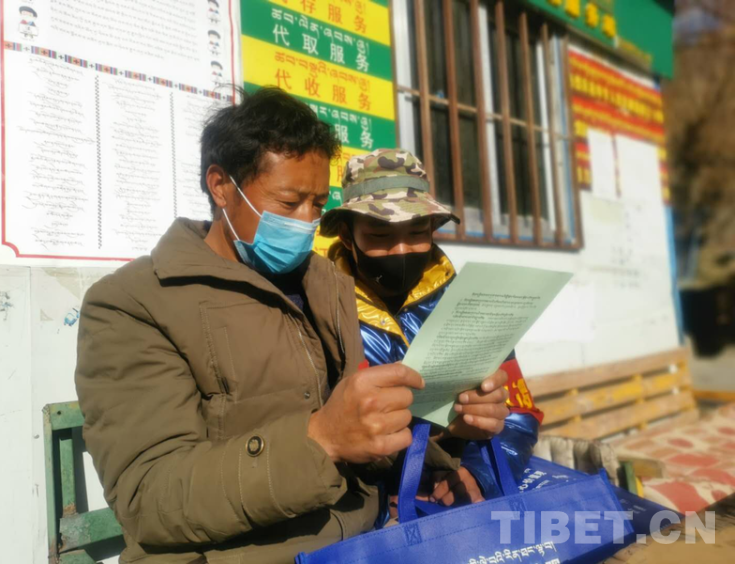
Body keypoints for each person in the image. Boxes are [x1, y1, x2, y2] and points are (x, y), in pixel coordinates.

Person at [75, 90, 495, 563]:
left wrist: (442, 440)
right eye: (289, 201)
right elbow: (149, 499)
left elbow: (358, 432)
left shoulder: (327, 283)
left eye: (317, 204)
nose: (305, 221)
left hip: (363, 542)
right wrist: (319, 440)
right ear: (221, 186)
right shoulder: (134, 302)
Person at [320, 149, 544, 506]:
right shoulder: (317, 310)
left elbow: (519, 412)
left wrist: (480, 474)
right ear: (347, 236)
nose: (401, 249)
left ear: (433, 229)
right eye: (379, 234)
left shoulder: (469, 305)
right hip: (362, 514)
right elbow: (314, 438)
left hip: (454, 504)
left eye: (416, 232)